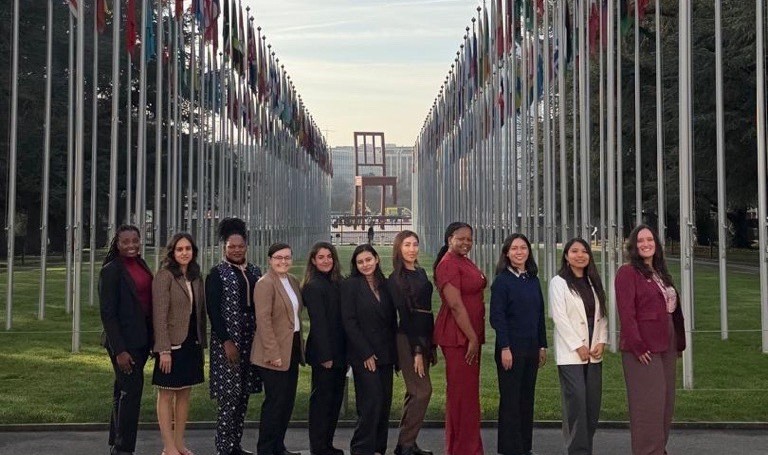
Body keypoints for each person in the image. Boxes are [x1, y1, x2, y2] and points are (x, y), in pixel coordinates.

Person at [616, 225, 686, 455]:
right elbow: (626, 313)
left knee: (666, 402)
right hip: (643, 347)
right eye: (640, 240)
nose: (645, 244)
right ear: (633, 246)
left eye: (650, 239)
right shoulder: (627, 272)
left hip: (667, 343)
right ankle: (647, 451)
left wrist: (678, 341)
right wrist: (637, 346)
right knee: (648, 405)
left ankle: (659, 449)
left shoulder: (660, 272)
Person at [207, 218, 262, 455]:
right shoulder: (217, 274)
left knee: (243, 395)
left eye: (240, 246)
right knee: (229, 397)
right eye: (232, 246)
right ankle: (224, 446)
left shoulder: (255, 271)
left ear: (246, 246)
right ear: (224, 247)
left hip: (251, 338)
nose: (236, 250)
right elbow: (213, 311)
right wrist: (226, 341)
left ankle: (235, 445)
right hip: (229, 340)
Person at [549, 238, 608, 455]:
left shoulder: (593, 281)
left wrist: (601, 340)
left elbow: (602, 315)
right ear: (566, 256)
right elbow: (559, 317)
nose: (580, 255)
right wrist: (577, 346)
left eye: (584, 251)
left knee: (591, 405)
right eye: (574, 251)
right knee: (577, 403)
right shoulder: (559, 282)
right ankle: (577, 451)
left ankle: (586, 449)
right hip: (571, 353)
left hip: (594, 351)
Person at [490, 233, 548, 455]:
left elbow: (540, 314)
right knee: (511, 401)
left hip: (531, 349)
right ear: (506, 253)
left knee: (526, 400)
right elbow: (497, 317)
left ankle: (525, 447)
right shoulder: (502, 281)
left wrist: (542, 345)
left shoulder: (532, 279)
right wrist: (505, 347)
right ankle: (510, 449)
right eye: (514, 248)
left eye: (523, 248)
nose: (519, 252)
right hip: (510, 350)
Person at [432, 222, 486, 455]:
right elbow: (455, 305)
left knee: (469, 394)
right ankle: (462, 449)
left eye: (469, 239)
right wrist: (472, 337)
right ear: (449, 239)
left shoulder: (463, 260)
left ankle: (469, 446)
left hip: (471, 335)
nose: (466, 243)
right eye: (460, 238)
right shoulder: (448, 264)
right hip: (459, 337)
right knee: (462, 395)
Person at [99, 225, 153, 455]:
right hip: (123, 344)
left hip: (141, 340)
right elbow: (108, 314)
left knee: (122, 391)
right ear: (117, 244)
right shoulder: (111, 270)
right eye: (126, 242)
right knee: (131, 394)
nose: (131, 245)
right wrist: (120, 350)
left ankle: (116, 441)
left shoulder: (141, 264)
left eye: (135, 240)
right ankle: (123, 449)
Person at [151, 233, 207, 455]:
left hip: (192, 342)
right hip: (171, 345)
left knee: (184, 393)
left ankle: (179, 443)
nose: (184, 253)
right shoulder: (164, 276)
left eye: (188, 249)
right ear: (172, 252)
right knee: (167, 394)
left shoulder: (196, 276)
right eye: (180, 249)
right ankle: (168, 447)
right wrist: (163, 350)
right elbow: (159, 315)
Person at [341, 244, 397, 455]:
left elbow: (392, 320)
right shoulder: (350, 286)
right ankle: (361, 448)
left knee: (384, 404)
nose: (365, 265)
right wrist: (365, 353)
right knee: (370, 403)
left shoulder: (386, 284)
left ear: (376, 259)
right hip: (363, 355)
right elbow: (349, 321)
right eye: (360, 262)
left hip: (386, 354)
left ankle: (378, 448)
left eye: (368, 260)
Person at [251, 243, 305, 455]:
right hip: (272, 353)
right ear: (270, 260)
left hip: (291, 348)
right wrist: (273, 353)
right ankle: (266, 449)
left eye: (287, 257)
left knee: (286, 403)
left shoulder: (292, 281)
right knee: (275, 404)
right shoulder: (265, 284)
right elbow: (263, 321)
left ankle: (278, 446)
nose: (283, 261)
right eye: (278, 258)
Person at [387, 230, 435, 455]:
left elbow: (425, 309)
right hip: (408, 338)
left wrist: (428, 343)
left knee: (414, 391)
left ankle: (407, 442)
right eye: (407, 245)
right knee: (422, 391)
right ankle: (405, 443)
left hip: (424, 336)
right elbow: (405, 315)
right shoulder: (396, 278)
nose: (412, 249)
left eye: (415, 244)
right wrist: (417, 350)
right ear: (398, 248)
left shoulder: (420, 272)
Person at [302, 242, 347, 455]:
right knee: (322, 401)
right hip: (324, 353)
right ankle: (318, 447)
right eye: (321, 257)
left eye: (329, 256)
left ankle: (327, 444)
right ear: (313, 260)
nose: (326, 260)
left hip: (341, 351)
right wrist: (326, 356)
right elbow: (319, 323)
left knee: (335, 400)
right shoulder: (313, 286)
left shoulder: (337, 282)